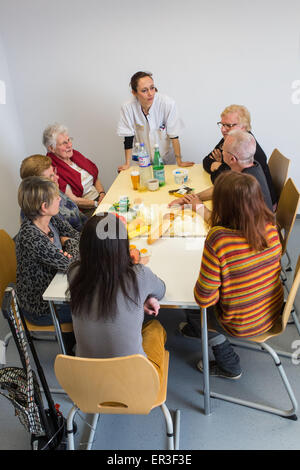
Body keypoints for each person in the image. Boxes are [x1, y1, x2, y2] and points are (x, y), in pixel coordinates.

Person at [179, 171, 284, 379]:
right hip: (271, 310)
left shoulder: (219, 239)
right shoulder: (271, 228)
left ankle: (228, 363)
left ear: (222, 205)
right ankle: (196, 329)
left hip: (241, 321)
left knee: (189, 305)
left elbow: (204, 298)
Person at [67, 212, 167, 385]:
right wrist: (142, 293)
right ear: (123, 246)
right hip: (136, 384)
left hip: (88, 384)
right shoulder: (138, 275)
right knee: (155, 327)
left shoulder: (74, 273)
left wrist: (138, 298)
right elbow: (161, 290)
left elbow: (105, 287)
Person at [16, 176, 80, 354]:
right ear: (44, 207)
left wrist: (69, 244)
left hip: (59, 286)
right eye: (56, 196)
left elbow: (76, 237)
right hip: (41, 306)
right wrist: (67, 244)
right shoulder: (31, 236)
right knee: (93, 308)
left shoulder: (52, 219)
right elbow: (71, 264)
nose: (60, 198)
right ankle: (76, 352)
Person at [169, 129, 273, 213]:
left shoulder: (241, 188)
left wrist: (198, 207)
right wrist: (192, 198)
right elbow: (221, 188)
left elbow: (218, 225)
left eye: (223, 150)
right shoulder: (252, 166)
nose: (221, 152)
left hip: (251, 237)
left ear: (232, 159)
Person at [117, 71, 194, 171]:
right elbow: (128, 137)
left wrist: (179, 160)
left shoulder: (167, 103)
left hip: (166, 159)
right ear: (134, 92)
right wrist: (127, 164)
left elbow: (174, 135)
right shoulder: (128, 107)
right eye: (144, 90)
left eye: (152, 88)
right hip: (143, 158)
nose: (150, 94)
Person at [202, 104, 276, 206]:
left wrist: (219, 166)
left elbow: (222, 183)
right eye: (222, 124)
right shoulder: (231, 139)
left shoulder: (249, 150)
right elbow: (206, 161)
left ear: (243, 127)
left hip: (258, 208)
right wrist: (221, 168)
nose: (223, 129)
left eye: (228, 125)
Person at [43, 123, 106, 217]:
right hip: (85, 211)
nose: (69, 145)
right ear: (52, 148)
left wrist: (102, 194)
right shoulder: (52, 170)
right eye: (64, 143)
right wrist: (96, 204)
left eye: (69, 140)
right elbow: (73, 199)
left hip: (100, 199)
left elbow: (94, 176)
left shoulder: (74, 154)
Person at [20, 154, 87, 231]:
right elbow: (65, 237)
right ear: (37, 185)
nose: (57, 177)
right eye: (50, 176)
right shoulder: (40, 210)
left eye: (54, 172)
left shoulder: (52, 190)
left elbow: (77, 213)